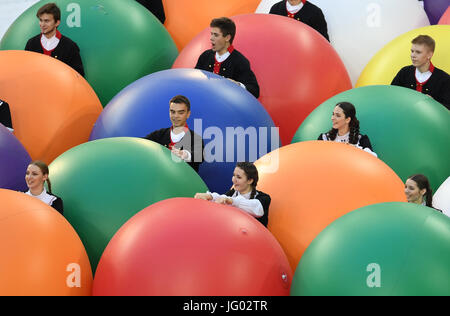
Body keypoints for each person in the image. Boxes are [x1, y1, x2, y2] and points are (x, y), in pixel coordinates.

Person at [195, 17, 260, 98]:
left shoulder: (240, 61)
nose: (211, 38)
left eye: (216, 35)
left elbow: (255, 91)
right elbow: (195, 79)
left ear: (227, 38)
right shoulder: (205, 56)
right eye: (211, 34)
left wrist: (238, 85)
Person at [194, 162, 271, 227]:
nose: (234, 180)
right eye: (234, 175)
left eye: (239, 177)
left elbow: (256, 208)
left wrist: (231, 201)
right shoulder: (232, 192)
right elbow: (222, 197)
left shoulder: (264, 198)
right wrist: (209, 196)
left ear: (250, 180)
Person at [144, 95, 204, 172]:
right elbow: (141, 144)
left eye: (181, 113)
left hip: (184, 183)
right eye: (172, 112)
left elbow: (200, 155)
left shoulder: (196, 138)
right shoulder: (158, 135)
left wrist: (185, 154)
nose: (176, 116)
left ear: (188, 114)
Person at [25, 3, 85, 77]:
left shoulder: (70, 46)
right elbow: (25, 72)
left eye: (46, 21)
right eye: (41, 20)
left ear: (57, 23)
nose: (42, 24)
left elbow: (79, 76)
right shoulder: (31, 44)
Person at [391, 35, 450, 110]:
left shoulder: (445, 79)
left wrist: (434, 104)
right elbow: (392, 95)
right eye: (412, 51)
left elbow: (448, 108)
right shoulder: (404, 72)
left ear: (430, 55)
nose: (413, 55)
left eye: (418, 52)